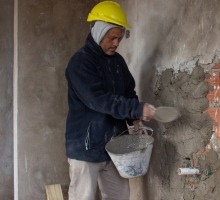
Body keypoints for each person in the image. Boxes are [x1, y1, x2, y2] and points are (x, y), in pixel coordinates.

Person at [64, 1, 155, 199]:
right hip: (86, 147)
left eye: (119, 38)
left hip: (115, 147)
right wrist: (136, 109)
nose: (116, 43)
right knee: (83, 196)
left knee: (119, 196)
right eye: (111, 37)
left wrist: (134, 119)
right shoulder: (80, 63)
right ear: (98, 32)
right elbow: (99, 100)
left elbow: (128, 91)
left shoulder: (118, 62)